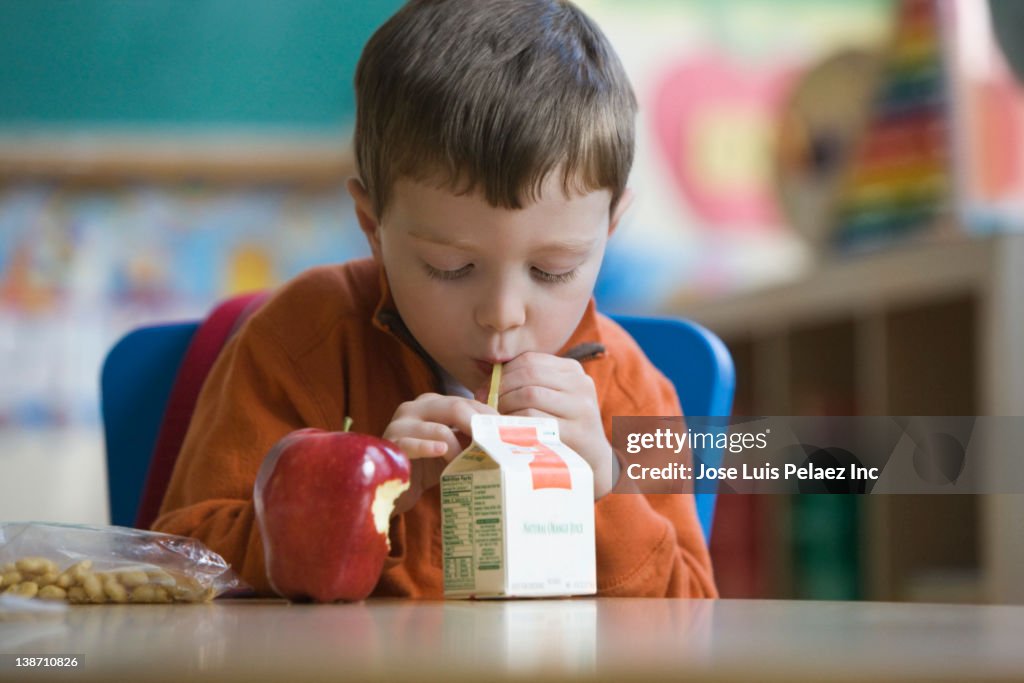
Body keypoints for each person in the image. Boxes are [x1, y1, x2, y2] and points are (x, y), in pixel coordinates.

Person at [153, 0, 717, 599]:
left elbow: (688, 616)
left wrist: (604, 485)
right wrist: (359, 497)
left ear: (609, 229)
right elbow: (185, 565)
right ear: (373, 226)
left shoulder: (630, 390)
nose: (502, 315)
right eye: (451, 267)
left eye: (554, 271)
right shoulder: (300, 342)